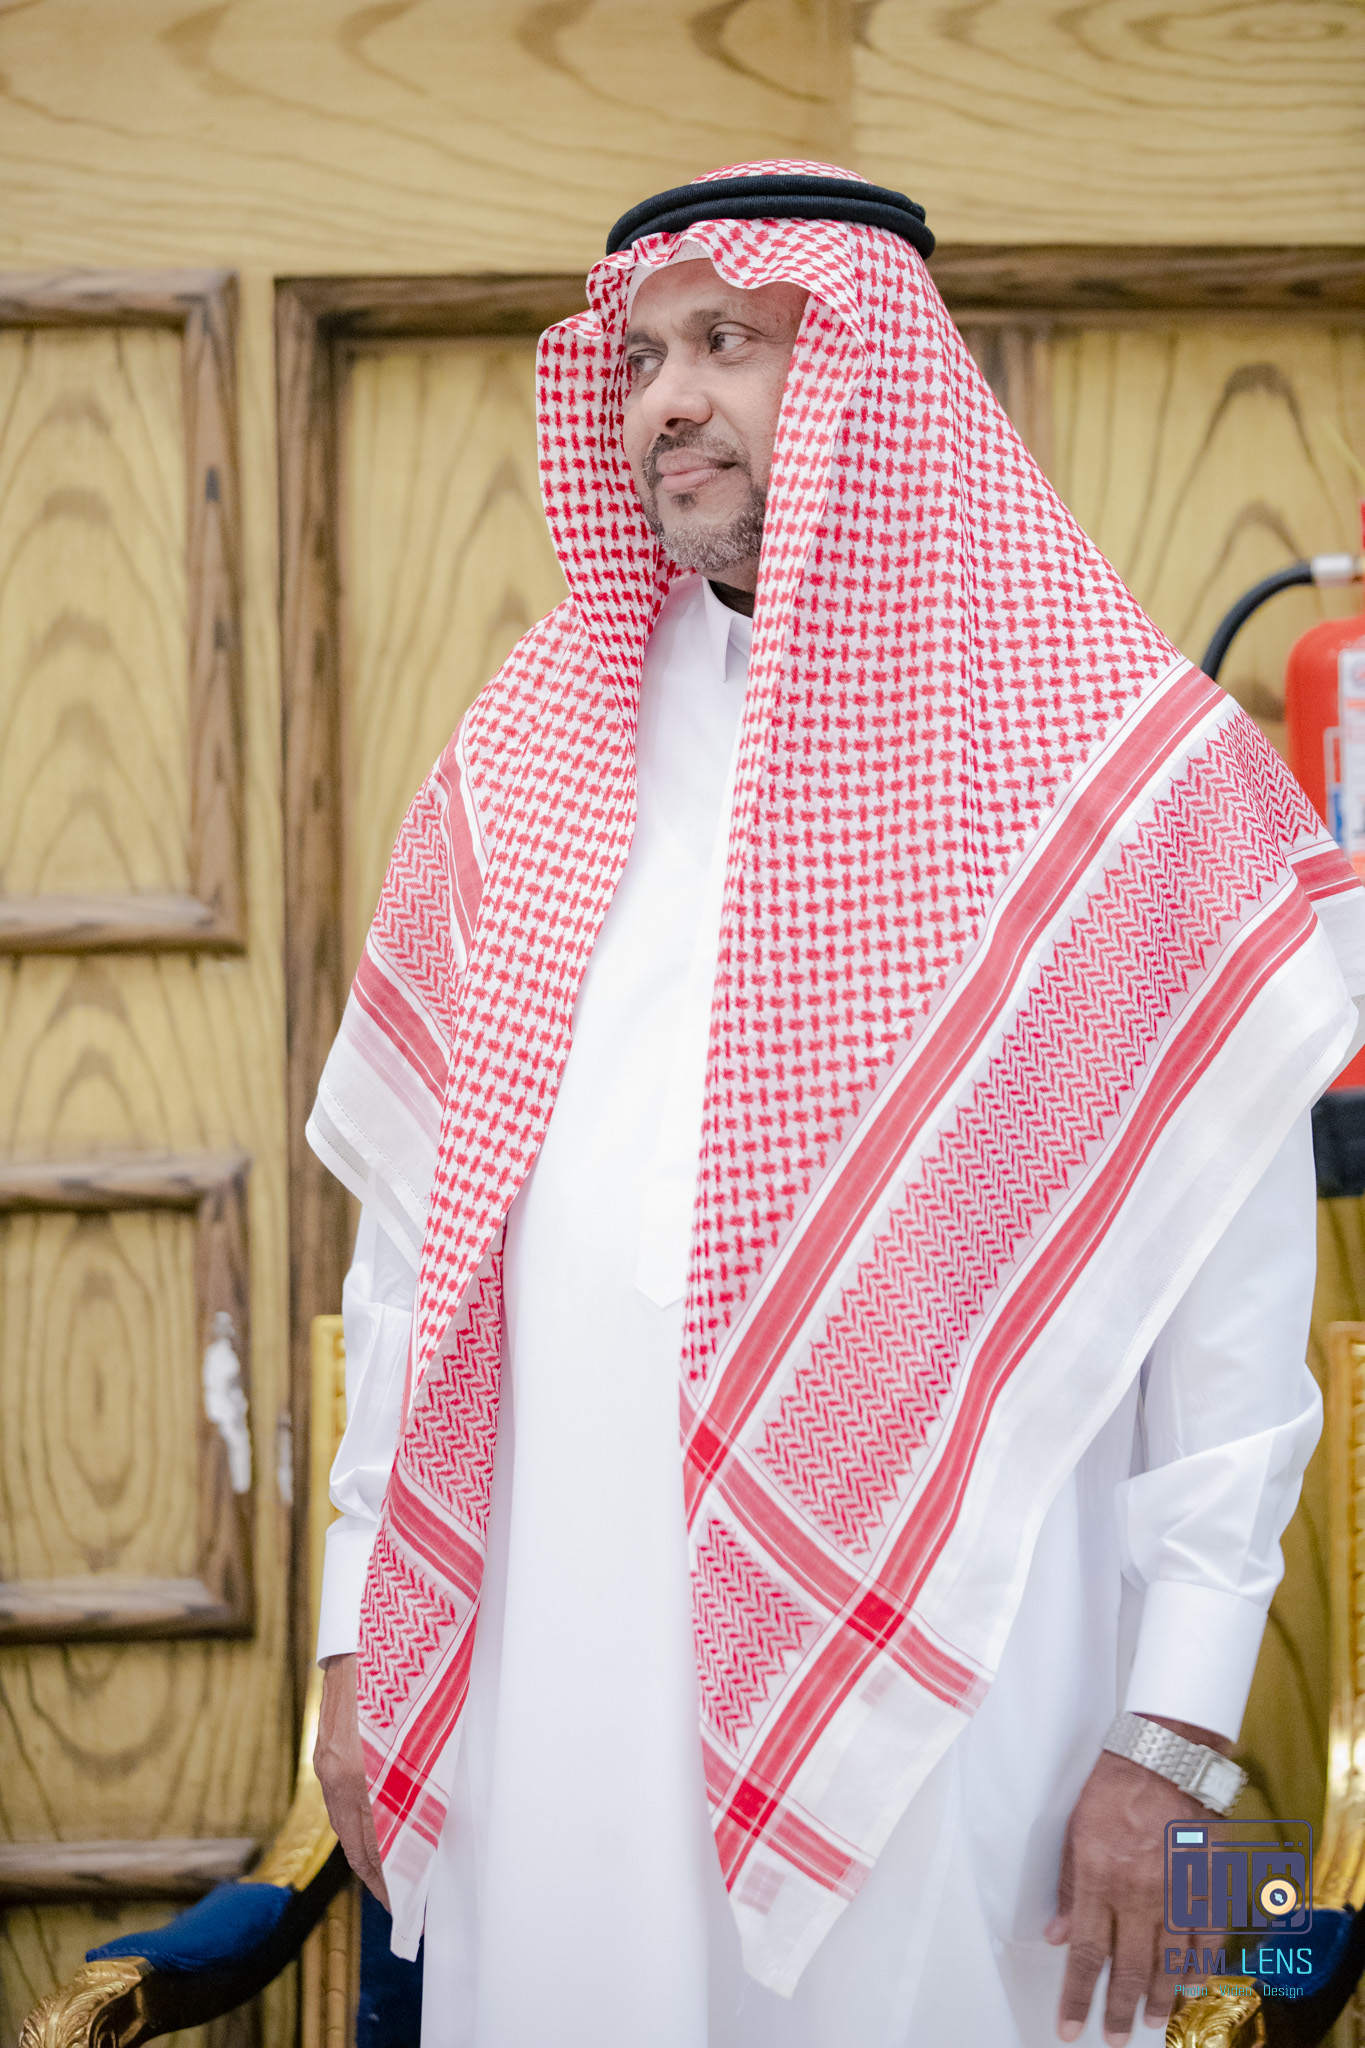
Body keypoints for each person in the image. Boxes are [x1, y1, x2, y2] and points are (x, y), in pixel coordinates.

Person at [307, 162, 1365, 2047]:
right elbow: (411, 1272)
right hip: (551, 1676)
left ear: (878, 373)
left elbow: (1226, 1327)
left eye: (729, 341)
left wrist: (1175, 1732)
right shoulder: (524, 753)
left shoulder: (1119, 776)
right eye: (639, 357)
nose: (667, 399)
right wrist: (348, 1629)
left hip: (954, 1703)